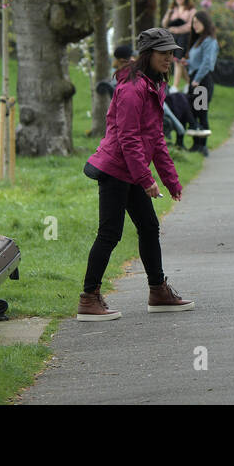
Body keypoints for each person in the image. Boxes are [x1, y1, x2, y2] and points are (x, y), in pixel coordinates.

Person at [77, 27, 194, 321]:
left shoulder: (154, 85)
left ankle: (158, 291)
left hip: (130, 169)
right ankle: (88, 298)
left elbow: (155, 138)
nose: (169, 58)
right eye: (163, 53)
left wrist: (171, 180)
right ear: (148, 54)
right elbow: (128, 139)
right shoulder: (132, 89)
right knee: (110, 233)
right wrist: (147, 180)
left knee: (149, 226)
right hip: (117, 169)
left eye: (171, 53)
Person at [184, 11, 218, 156]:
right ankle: (196, 144)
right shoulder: (199, 40)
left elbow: (207, 63)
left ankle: (202, 146)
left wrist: (197, 79)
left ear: (205, 23)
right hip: (195, 80)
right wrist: (185, 62)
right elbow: (196, 61)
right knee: (193, 112)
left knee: (201, 112)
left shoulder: (209, 41)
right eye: (193, 22)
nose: (194, 25)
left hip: (202, 81)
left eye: (197, 22)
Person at [162, 0, 196, 91]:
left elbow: (190, 26)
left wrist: (176, 29)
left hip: (185, 38)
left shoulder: (191, 10)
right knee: (178, 61)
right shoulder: (173, 9)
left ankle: (175, 87)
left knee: (178, 61)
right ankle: (189, 83)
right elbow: (164, 24)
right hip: (173, 38)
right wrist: (168, 13)